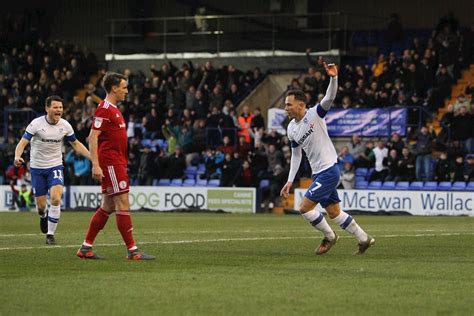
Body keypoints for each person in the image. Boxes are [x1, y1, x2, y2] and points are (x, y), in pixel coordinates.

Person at [280, 62, 374, 256]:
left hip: (329, 170)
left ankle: (330, 237)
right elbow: (296, 154)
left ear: (301, 104)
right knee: (334, 213)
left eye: (289, 104)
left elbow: (330, 96)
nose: (286, 108)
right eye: (285, 104)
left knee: (305, 208)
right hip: (318, 174)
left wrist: (333, 77)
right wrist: (290, 180)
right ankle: (364, 239)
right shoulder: (291, 128)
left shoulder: (315, 114)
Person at [76, 72, 155, 260]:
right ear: (114, 88)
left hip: (116, 162)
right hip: (111, 163)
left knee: (108, 206)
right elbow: (93, 137)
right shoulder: (104, 109)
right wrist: (95, 164)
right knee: (122, 203)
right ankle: (132, 250)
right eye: (124, 87)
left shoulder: (114, 109)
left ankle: (86, 248)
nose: (127, 91)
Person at [14, 95, 91, 245]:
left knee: (56, 198)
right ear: (47, 108)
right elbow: (22, 143)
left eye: (61, 107)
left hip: (55, 166)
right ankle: (43, 217)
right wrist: (17, 156)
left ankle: (50, 234)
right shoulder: (36, 124)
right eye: (55, 107)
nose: (59, 110)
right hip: (37, 168)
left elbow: (76, 144)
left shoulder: (65, 125)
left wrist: (93, 158)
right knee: (41, 207)